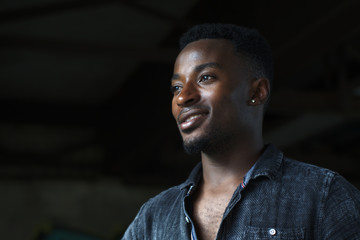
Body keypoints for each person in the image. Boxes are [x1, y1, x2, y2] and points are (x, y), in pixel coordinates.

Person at [122, 23, 360, 239]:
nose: (183, 97)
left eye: (205, 77)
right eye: (176, 87)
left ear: (257, 92)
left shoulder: (324, 197)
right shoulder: (153, 217)